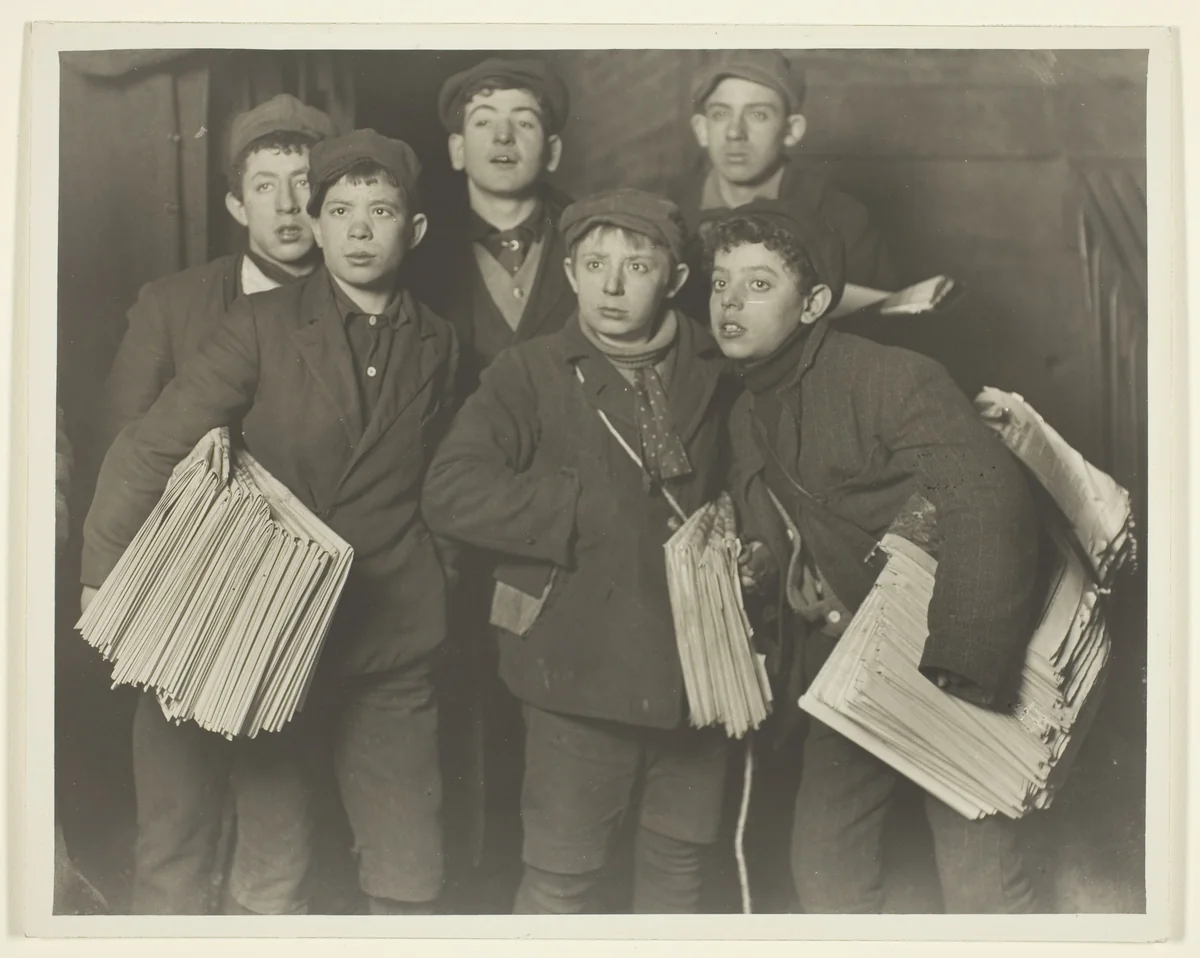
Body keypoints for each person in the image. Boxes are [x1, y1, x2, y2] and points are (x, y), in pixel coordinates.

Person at [82, 130, 458, 916]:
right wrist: (104, 579)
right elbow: (151, 447)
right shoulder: (261, 323)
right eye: (340, 211)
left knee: (410, 869)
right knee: (272, 856)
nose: (359, 229)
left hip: (387, 632)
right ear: (316, 226)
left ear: (416, 230)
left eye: (382, 210)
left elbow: (444, 479)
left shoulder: (443, 343)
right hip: (257, 621)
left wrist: (436, 574)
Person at [703, 197, 1040, 913]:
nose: (729, 301)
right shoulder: (745, 411)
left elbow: (988, 501)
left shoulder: (889, 376)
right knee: (826, 871)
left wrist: (963, 663)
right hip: (852, 657)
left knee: (981, 884)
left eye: (758, 284)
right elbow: (786, 525)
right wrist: (763, 563)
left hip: (954, 653)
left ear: (813, 303)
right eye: (720, 282)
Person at [422, 188, 743, 915]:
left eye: (637, 266)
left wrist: (751, 546)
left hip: (698, 671)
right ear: (569, 274)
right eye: (595, 264)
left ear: (676, 280)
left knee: (679, 874)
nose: (613, 285)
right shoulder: (528, 371)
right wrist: (579, 508)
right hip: (575, 668)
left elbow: (752, 486)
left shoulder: (720, 367)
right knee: (562, 879)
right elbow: (450, 490)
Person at [408, 56, 577, 908]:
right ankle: (464, 896)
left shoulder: (597, 243)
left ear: (553, 149)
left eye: (524, 121)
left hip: (564, 528)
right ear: (454, 148)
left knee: (557, 717)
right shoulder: (413, 247)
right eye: (483, 121)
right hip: (444, 531)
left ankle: (543, 889)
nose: (504, 137)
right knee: (454, 707)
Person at [100, 93, 339, 452]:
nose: (286, 204)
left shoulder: (365, 299)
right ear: (238, 207)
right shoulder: (169, 306)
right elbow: (119, 448)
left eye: (303, 182)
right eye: (265, 185)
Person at [668, 50, 898, 320]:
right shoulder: (669, 213)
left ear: (791, 130)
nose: (735, 132)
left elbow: (883, 322)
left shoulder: (842, 217)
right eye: (720, 114)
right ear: (701, 129)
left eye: (758, 115)